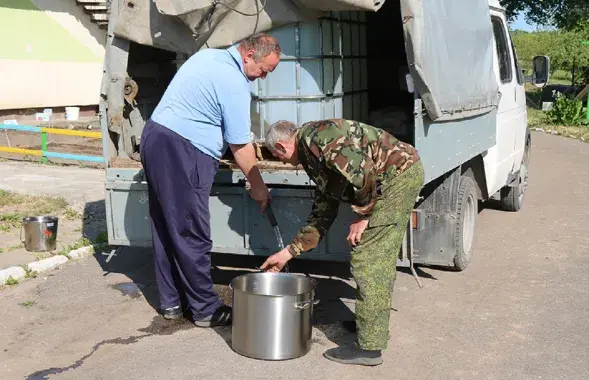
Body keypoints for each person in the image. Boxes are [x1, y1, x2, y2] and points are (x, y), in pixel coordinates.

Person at [139, 33, 281, 327]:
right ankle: (205, 309)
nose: (262, 78)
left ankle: (172, 302)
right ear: (248, 55)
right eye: (263, 70)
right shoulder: (234, 82)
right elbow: (240, 145)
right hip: (183, 149)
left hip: (156, 137)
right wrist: (258, 185)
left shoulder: (207, 56)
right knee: (191, 230)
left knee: (167, 226)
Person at [260, 118, 424, 366]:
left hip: (397, 178)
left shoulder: (318, 138)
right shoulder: (311, 153)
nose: (280, 161)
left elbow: (364, 171)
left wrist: (364, 215)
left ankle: (369, 348)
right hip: (392, 179)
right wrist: (287, 253)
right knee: (375, 257)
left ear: (281, 147)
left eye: (276, 155)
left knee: (369, 261)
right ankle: (370, 324)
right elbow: (324, 211)